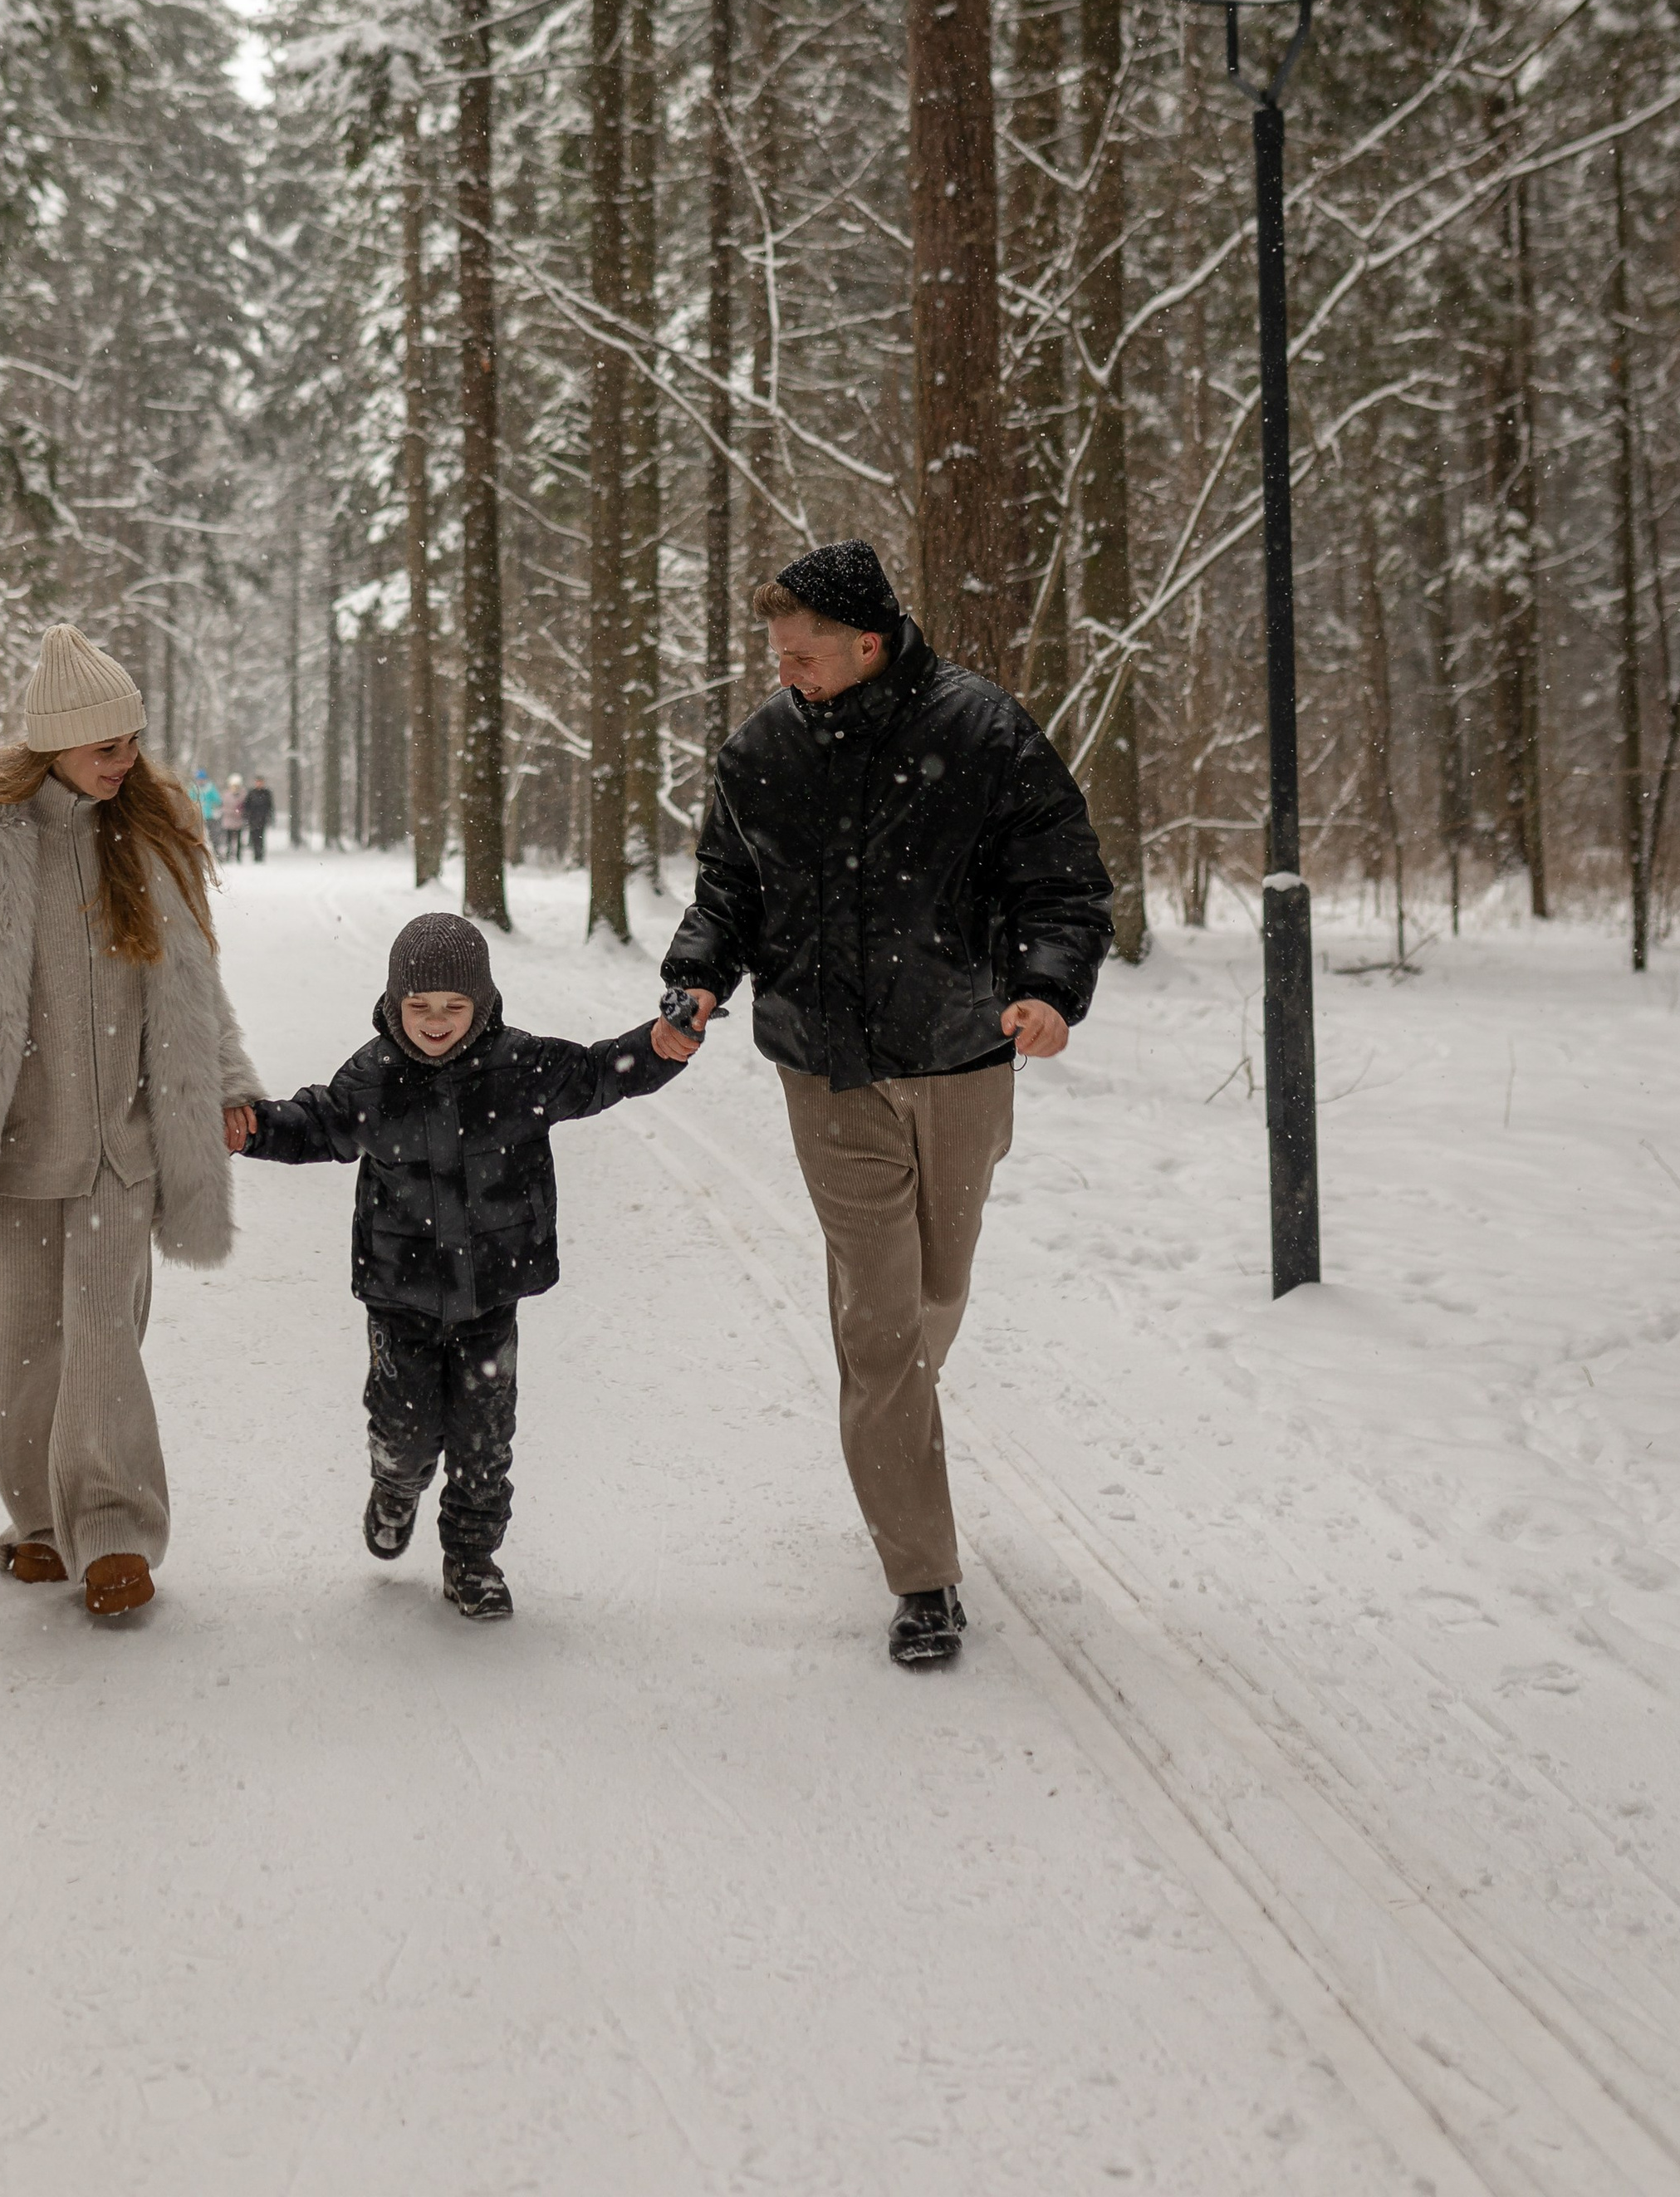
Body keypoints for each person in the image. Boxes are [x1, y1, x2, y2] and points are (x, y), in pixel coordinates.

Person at [662, 543, 1112, 1671]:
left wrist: (1047, 988)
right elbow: (728, 886)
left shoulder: (981, 731)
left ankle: (896, 1413)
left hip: (963, 1052)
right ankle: (923, 1576)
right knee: (879, 1318)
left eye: (804, 654)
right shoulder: (763, 749)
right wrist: (699, 973)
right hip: (828, 1065)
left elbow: (1060, 879)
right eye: (777, 656)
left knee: (933, 1293)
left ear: (869, 643)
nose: (787, 673)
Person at [0, 625, 262, 1618]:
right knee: (17, 1356)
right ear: (53, 741)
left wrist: (226, 1085)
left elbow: (194, 991)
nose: (125, 760)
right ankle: (39, 1524)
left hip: (121, 1153)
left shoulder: (151, 834)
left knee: (103, 1349)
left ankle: (115, 1534)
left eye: (133, 740)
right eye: (106, 745)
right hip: (12, 1150)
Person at [242, 912, 700, 1621]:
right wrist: (253, 1128)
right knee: (406, 1430)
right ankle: (396, 1485)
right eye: (418, 1007)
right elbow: (317, 1123)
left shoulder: (523, 1068)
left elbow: (602, 1073)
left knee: (486, 1441)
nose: (435, 1022)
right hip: (401, 1296)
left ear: (481, 1004)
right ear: (394, 1005)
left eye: (453, 1007)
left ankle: (471, 1558)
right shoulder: (372, 1077)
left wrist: (662, 1045)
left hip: (492, 1293)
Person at [242, 774, 276, 865]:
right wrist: (247, 816)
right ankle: (255, 854)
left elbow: (270, 806)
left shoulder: (267, 793)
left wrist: (270, 817)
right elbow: (247, 806)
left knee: (261, 837)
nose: (259, 784)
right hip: (253, 819)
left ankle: (260, 855)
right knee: (254, 837)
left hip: (262, 818)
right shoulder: (251, 793)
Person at [223, 776, 247, 864]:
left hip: (239, 821)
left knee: (239, 840)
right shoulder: (226, 795)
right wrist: (233, 811)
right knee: (229, 839)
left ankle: (238, 856)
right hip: (229, 820)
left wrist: (240, 812)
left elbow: (245, 807)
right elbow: (223, 807)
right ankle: (229, 855)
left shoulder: (244, 795)